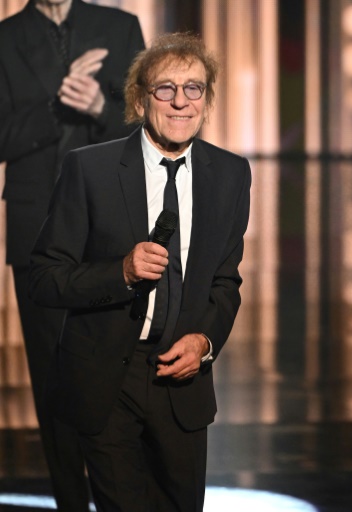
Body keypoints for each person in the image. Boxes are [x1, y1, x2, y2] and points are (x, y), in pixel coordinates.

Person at [28, 32, 251, 512]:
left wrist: (205, 343)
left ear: (207, 100)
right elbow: (44, 277)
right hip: (108, 382)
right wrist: (122, 272)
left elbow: (225, 282)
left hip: (182, 379)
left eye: (193, 88)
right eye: (165, 88)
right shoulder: (90, 169)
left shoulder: (231, 174)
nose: (179, 102)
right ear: (139, 98)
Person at [0, 1, 144, 509]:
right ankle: (70, 500)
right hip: (35, 224)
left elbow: (144, 122)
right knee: (51, 372)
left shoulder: (119, 27)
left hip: (110, 220)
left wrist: (99, 108)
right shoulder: (5, 37)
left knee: (119, 363)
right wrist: (55, 105)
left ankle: (121, 492)